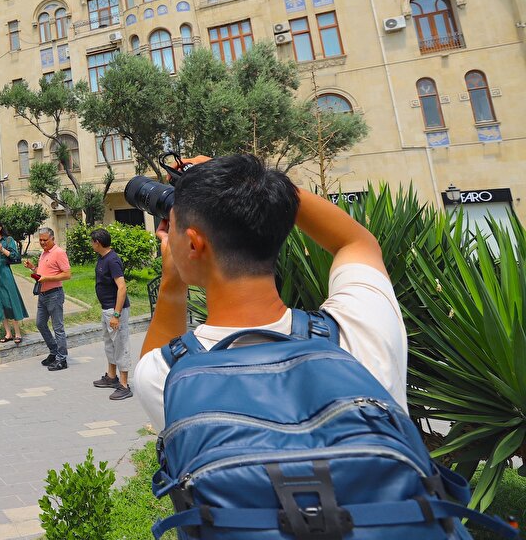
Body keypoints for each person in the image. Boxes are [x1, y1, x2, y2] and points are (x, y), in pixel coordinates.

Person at [134, 153, 406, 430]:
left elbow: (150, 360)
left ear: (193, 244)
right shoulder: (361, 330)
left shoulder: (169, 377)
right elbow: (357, 242)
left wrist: (172, 283)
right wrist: (254, 187)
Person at [90, 228, 132, 400]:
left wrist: (116, 314)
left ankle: (124, 385)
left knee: (120, 345)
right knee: (109, 344)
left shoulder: (112, 260)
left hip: (115, 310)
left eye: (92, 242)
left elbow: (122, 287)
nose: (91, 245)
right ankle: (111, 376)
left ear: (97, 243)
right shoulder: (102, 258)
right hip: (106, 309)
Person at [23, 227, 71, 370]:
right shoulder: (44, 253)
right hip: (43, 295)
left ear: (52, 239)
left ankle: (62, 359)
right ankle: (54, 351)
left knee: (58, 327)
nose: (42, 243)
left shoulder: (59, 253)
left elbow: (67, 274)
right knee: (40, 324)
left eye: (45, 240)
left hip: (54, 294)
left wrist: (48, 278)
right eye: (41, 240)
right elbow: (42, 272)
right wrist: (33, 268)